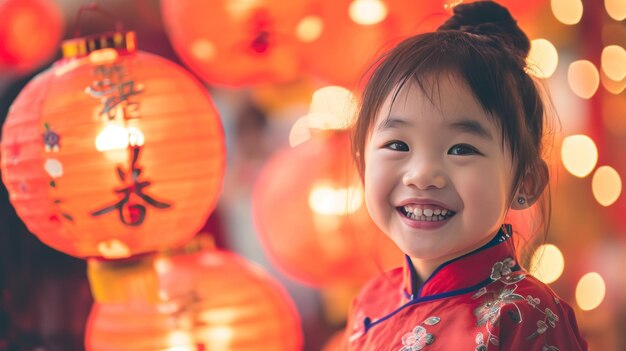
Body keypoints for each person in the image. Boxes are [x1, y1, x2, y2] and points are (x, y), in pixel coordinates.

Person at [343, 1, 588, 350]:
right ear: (362, 165)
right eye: (397, 144)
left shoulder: (524, 316)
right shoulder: (372, 299)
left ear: (525, 183)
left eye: (461, 149)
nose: (422, 175)